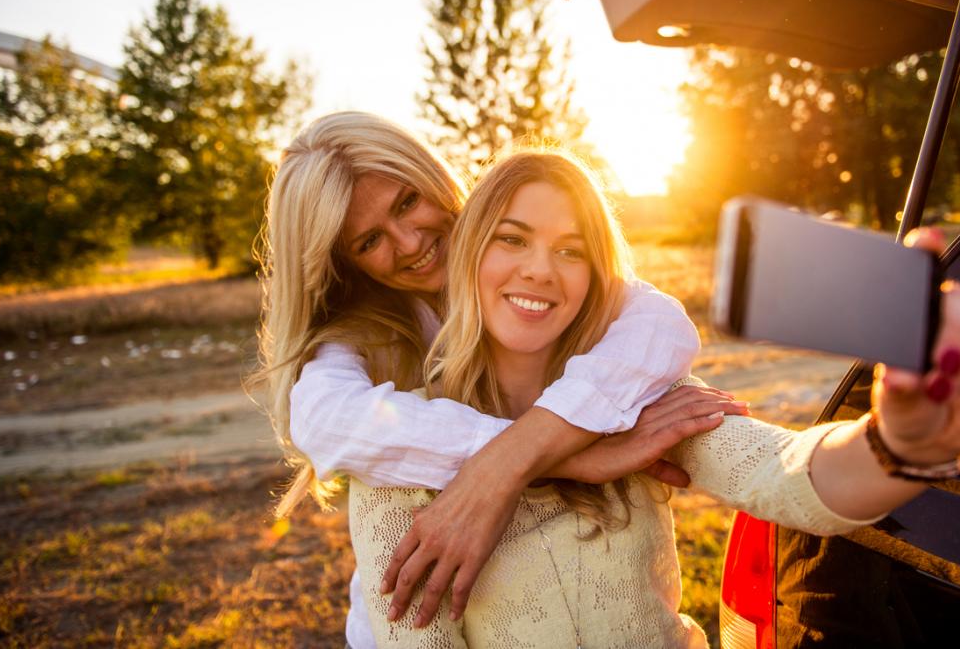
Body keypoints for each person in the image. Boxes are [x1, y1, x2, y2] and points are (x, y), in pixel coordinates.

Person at [348, 151, 960, 647]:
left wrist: (895, 443)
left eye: (571, 250)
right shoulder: (399, 453)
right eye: (513, 239)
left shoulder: (640, 398)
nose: (539, 271)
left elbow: (787, 475)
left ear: (595, 276)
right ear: (469, 254)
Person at [255, 112, 745, 649]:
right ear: (343, 262)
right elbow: (323, 419)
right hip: (413, 618)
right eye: (370, 240)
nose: (410, 240)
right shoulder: (362, 337)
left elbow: (661, 326)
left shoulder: (517, 257)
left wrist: (510, 461)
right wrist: (562, 457)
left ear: (434, 177)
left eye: (407, 202)